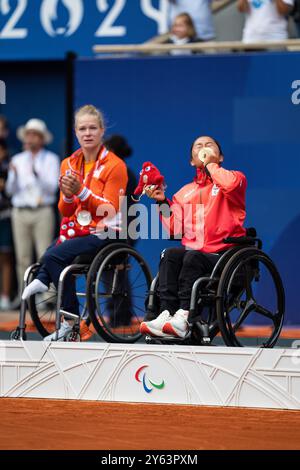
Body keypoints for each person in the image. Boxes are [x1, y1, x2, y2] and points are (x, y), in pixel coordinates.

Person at [21, 105, 128, 341]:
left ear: (102, 131)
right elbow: (66, 210)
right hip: (79, 230)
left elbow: (109, 209)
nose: (87, 133)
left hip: (108, 231)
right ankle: (48, 286)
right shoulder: (69, 163)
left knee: (52, 256)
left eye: (92, 128)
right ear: (75, 132)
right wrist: (69, 196)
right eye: (82, 128)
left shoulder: (115, 165)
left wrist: (80, 191)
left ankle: (70, 321)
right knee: (54, 255)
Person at [140, 135, 247, 339]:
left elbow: (230, 185)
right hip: (196, 255)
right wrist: (162, 203)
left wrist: (211, 166)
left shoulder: (235, 179)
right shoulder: (184, 193)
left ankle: (184, 316)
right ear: (191, 161)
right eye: (198, 146)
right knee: (170, 254)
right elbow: (175, 230)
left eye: (209, 145)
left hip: (223, 255)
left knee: (192, 256)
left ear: (220, 156)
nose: (203, 147)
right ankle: (167, 313)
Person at [5, 119, 60, 299]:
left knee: (44, 253)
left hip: (42, 210)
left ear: (42, 139)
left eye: (34, 135)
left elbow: (52, 188)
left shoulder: (51, 159)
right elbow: (10, 191)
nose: (30, 138)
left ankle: (46, 299)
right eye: (28, 134)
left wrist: (36, 173)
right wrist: (12, 176)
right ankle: (25, 296)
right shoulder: (17, 160)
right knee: (22, 257)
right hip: (20, 211)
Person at [0, 139, 14, 310]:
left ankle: (5, 296)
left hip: (4, 216)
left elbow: (10, 190)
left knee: (5, 257)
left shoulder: (9, 169)